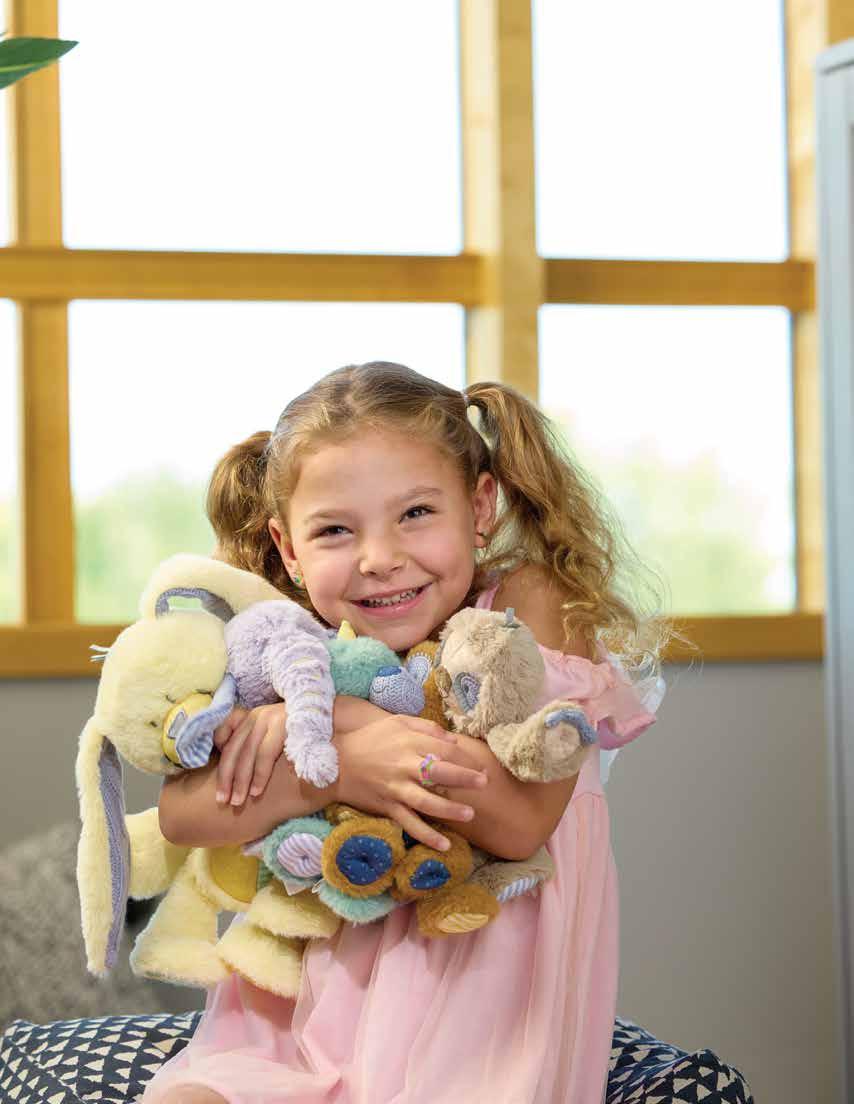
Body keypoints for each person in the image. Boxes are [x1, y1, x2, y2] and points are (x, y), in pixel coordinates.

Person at [143, 361, 668, 1104]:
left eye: (416, 513)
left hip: (472, 1035)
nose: (380, 558)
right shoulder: (292, 646)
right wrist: (336, 767)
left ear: (479, 505)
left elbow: (519, 821)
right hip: (291, 1019)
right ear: (288, 549)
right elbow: (182, 814)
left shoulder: (523, 607)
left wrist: (338, 725)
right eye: (334, 530)